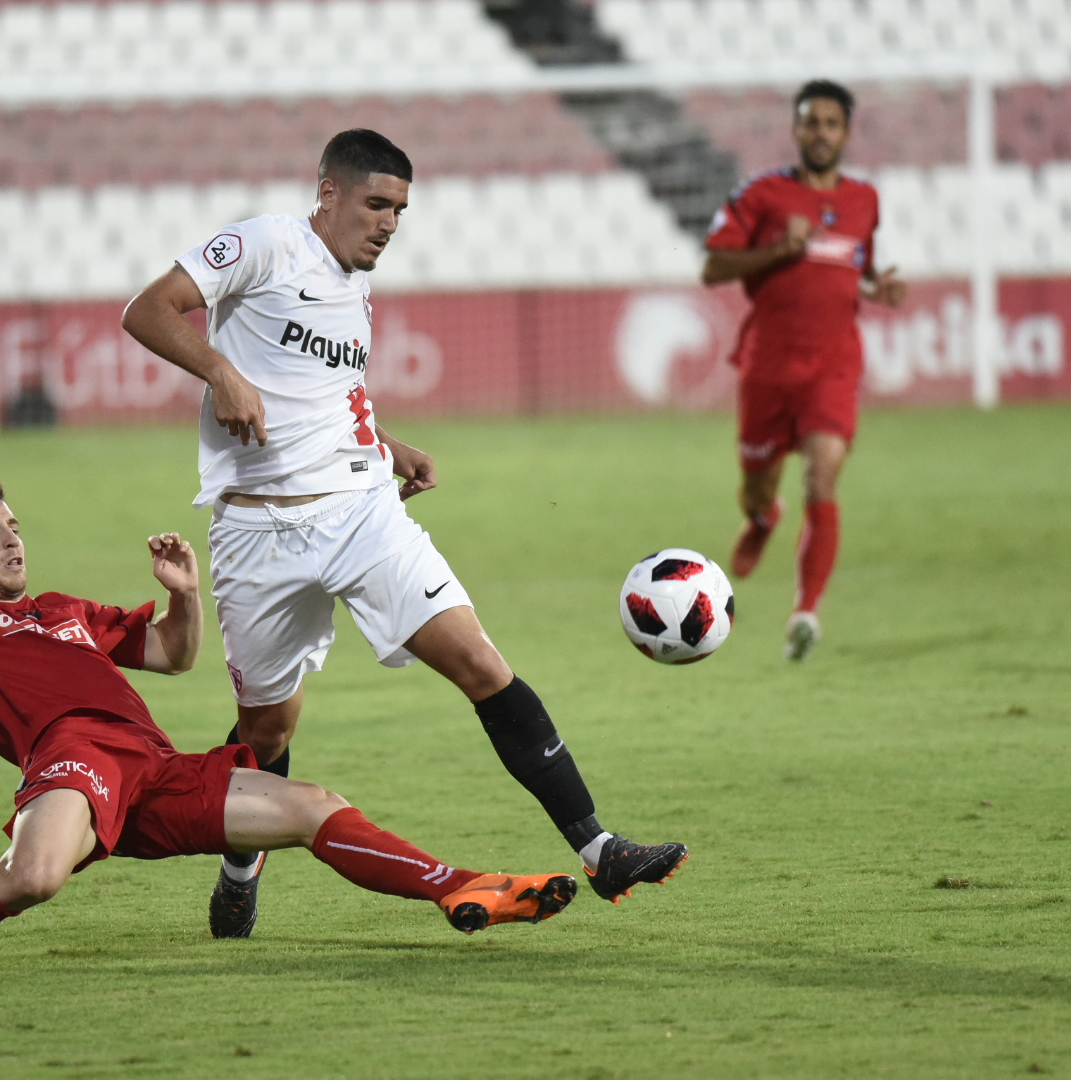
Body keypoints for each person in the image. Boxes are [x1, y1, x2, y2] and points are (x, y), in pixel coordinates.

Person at [0, 377, 579, 974]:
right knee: (33, 877)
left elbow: (175, 656)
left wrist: (183, 600)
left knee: (312, 806)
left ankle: (464, 887)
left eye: (13, 524)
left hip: (150, 768)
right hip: (71, 759)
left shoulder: (66, 611)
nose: (10, 539)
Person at [122, 128, 686, 940]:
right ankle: (240, 871)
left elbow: (328, 399)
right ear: (329, 193)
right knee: (267, 729)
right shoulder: (265, 243)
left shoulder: (355, 292)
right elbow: (146, 311)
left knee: (480, 662)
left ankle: (599, 848)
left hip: (360, 514)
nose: (388, 223)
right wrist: (220, 370)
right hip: (256, 535)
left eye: (400, 211)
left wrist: (389, 450)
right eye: (376, 204)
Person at [702, 80, 907, 661]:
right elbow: (713, 267)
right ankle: (764, 518)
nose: (820, 132)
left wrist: (877, 286)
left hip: (833, 368)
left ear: (846, 132)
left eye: (831, 123)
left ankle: (806, 611)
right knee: (756, 490)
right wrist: (776, 252)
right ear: (795, 130)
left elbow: (849, 262)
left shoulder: (865, 201)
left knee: (823, 478)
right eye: (810, 121)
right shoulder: (763, 194)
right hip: (767, 368)